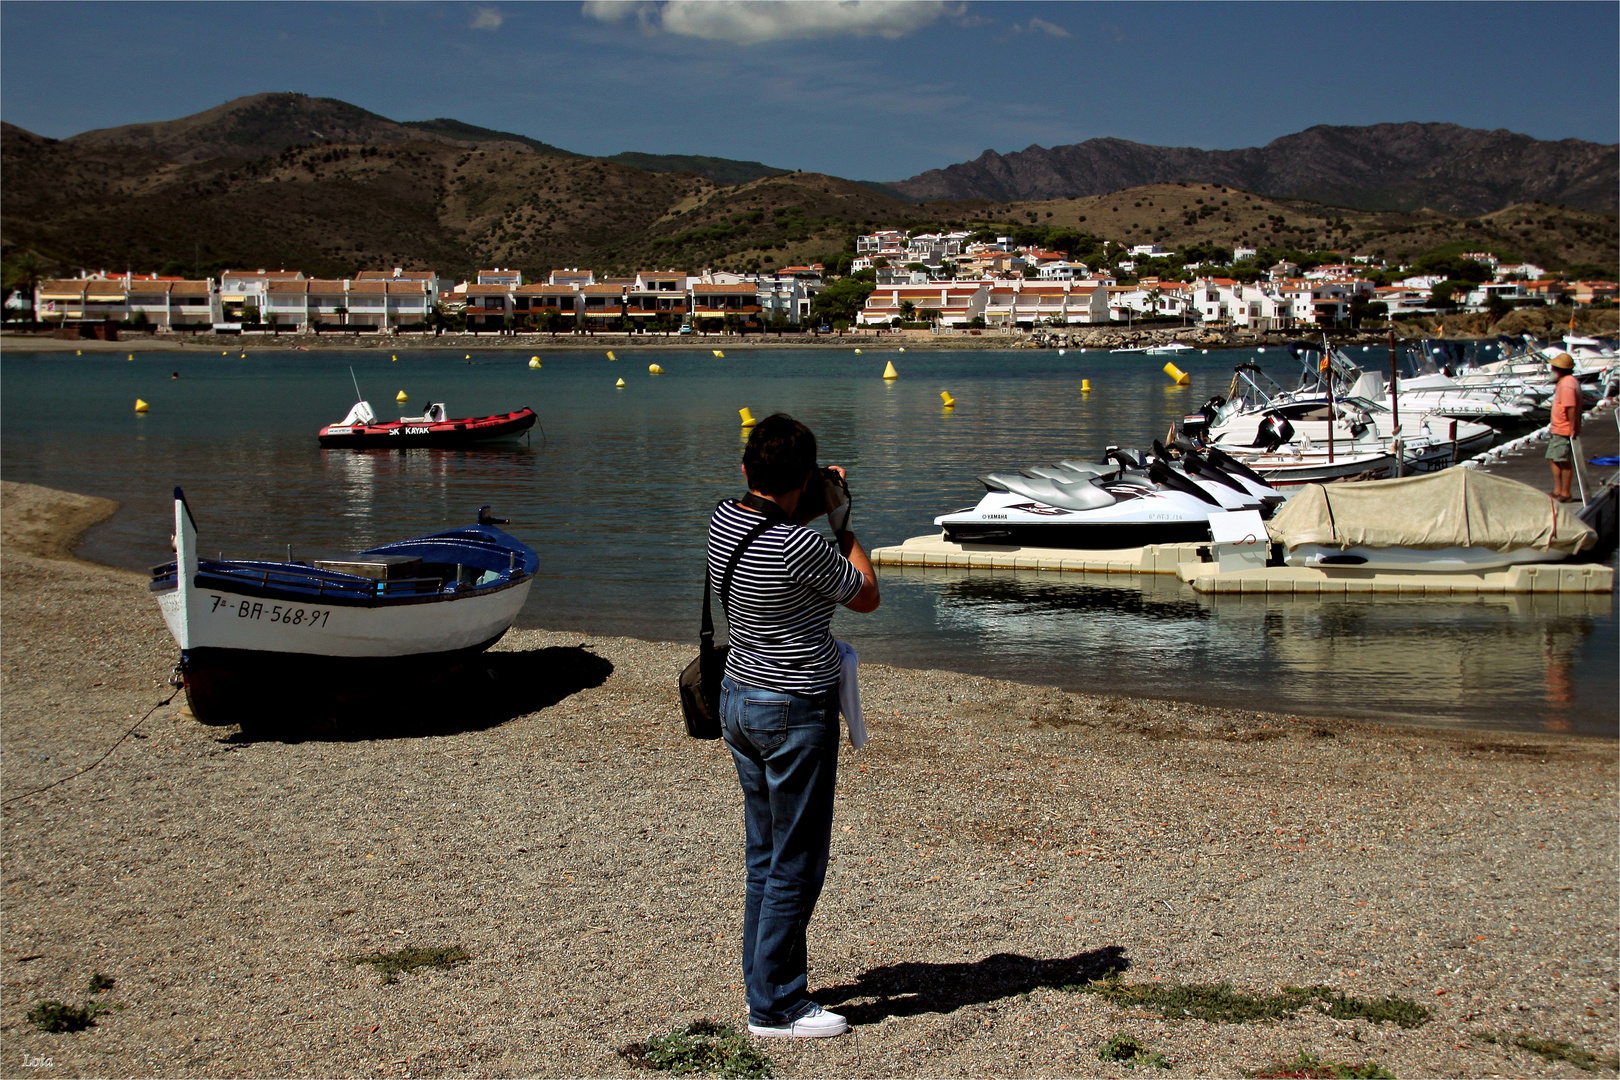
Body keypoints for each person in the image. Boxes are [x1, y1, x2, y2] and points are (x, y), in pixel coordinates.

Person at [707, 413, 879, 1039]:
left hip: (738, 698)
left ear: (748, 470)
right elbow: (866, 592)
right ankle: (776, 1005)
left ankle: (766, 979)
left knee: (764, 852)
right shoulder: (804, 544)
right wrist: (841, 520)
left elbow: (769, 524)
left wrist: (805, 491)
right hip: (792, 707)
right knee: (796, 862)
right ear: (804, 480)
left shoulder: (723, 519)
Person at [1546, 352, 1581, 502]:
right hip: (1558, 428)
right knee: (1553, 457)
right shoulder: (1567, 381)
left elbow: (1570, 407)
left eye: (1553, 367)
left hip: (1564, 429)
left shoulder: (1567, 384)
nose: (1551, 369)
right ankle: (1558, 489)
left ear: (1559, 369)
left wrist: (1573, 428)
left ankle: (1565, 493)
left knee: (1563, 460)